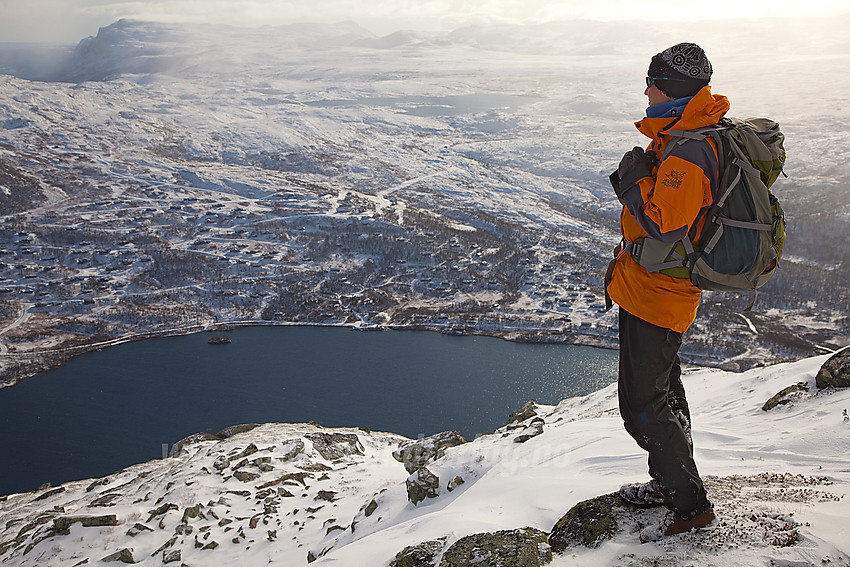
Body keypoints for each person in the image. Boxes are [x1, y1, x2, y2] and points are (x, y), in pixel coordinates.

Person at [605, 42, 726, 540]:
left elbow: (661, 223)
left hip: (660, 294)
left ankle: (691, 505)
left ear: (672, 92)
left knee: (641, 404)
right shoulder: (681, 137)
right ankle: (674, 482)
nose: (646, 91)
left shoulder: (689, 151)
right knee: (664, 392)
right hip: (649, 289)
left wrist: (632, 181)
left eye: (652, 83)